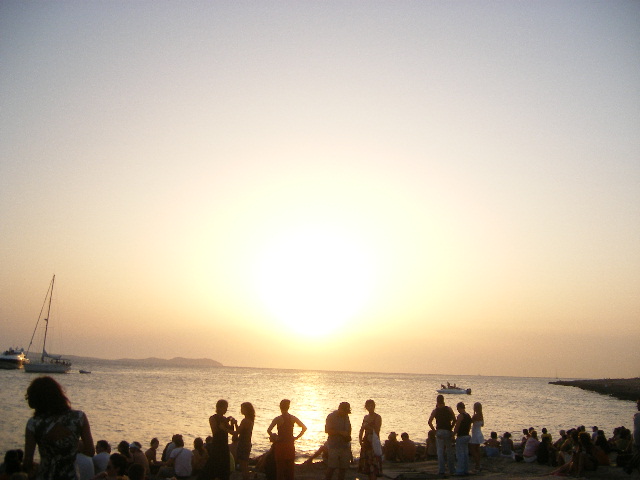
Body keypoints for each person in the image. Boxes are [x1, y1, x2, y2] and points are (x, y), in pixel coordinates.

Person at [23, 376, 95, 480]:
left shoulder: (34, 423)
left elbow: (27, 461)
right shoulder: (78, 418)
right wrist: (74, 444)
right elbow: (90, 451)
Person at [267, 399, 307, 480]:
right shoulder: (293, 418)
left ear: (280, 407)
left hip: (280, 445)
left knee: (280, 469)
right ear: (288, 407)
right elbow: (304, 428)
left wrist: (274, 437)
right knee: (290, 469)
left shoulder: (278, 419)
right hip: (290, 444)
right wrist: (296, 437)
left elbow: (269, 430)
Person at [198, 400, 235, 480]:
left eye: (226, 408)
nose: (226, 410)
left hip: (224, 445)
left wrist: (232, 423)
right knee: (213, 465)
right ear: (219, 407)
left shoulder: (224, 419)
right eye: (225, 408)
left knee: (224, 467)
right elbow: (215, 431)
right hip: (217, 445)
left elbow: (231, 431)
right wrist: (224, 424)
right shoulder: (213, 418)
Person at [427, 395, 456, 476]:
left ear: (437, 401)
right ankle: (452, 469)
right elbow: (454, 420)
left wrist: (434, 431)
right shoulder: (449, 409)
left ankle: (441, 470)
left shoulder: (435, 410)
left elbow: (429, 422)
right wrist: (451, 427)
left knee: (440, 451)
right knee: (449, 451)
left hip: (439, 431)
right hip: (447, 431)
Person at [325, 402, 352, 480]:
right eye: (345, 411)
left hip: (345, 446)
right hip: (334, 446)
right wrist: (340, 433)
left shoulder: (346, 417)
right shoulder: (331, 417)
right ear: (340, 409)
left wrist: (348, 435)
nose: (346, 413)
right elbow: (327, 430)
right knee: (332, 467)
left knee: (343, 468)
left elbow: (349, 428)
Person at [358, 399, 382, 480]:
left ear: (374, 406)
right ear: (366, 407)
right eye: (368, 406)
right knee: (366, 465)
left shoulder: (377, 417)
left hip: (373, 442)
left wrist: (367, 427)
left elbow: (377, 430)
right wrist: (360, 439)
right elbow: (361, 429)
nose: (370, 407)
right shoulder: (366, 417)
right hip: (366, 442)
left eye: (372, 406)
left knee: (374, 465)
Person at [235, 402, 255, 480]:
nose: (241, 410)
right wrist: (235, 424)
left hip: (243, 444)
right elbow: (240, 431)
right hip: (247, 443)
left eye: (242, 408)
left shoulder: (245, 420)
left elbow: (236, 433)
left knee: (243, 466)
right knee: (244, 465)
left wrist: (225, 429)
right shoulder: (250, 420)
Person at [453, 402, 472, 476]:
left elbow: (457, 426)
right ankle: (466, 469)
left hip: (461, 436)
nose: (457, 410)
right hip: (467, 435)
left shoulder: (460, 416)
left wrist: (453, 434)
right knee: (465, 454)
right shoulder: (468, 415)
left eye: (457, 408)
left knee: (460, 454)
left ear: (459, 408)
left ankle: (460, 470)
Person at [469, 402, 484, 471]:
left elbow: (470, 422)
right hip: (479, 433)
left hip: (475, 434)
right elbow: (482, 425)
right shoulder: (481, 415)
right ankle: (478, 464)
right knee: (477, 449)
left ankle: (477, 464)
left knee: (473, 449)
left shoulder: (475, 416)